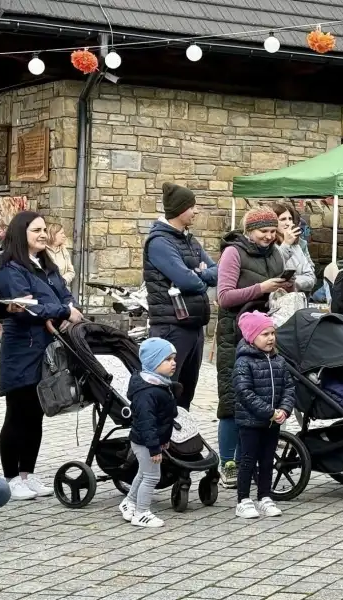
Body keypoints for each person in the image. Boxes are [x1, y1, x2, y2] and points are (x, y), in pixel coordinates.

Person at [0, 211, 84, 501]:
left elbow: (63, 294)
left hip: (48, 349)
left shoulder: (47, 265)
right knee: (17, 414)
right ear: (21, 233)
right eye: (36, 230)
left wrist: (68, 307)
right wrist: (62, 311)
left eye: (45, 229)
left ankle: (28, 474)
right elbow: (24, 308)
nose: (43, 234)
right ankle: (11, 478)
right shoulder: (10, 269)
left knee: (36, 415)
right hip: (22, 350)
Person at [215, 207, 287, 489]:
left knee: (264, 396)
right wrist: (261, 288)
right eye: (263, 232)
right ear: (249, 231)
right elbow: (224, 297)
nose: (269, 236)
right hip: (235, 334)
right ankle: (228, 462)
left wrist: (284, 287)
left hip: (265, 332)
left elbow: (275, 288)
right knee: (233, 400)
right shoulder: (233, 253)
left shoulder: (275, 253)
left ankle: (254, 459)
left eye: (272, 231)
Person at [143, 183, 217, 410]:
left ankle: (182, 442)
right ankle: (162, 442)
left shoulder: (189, 241)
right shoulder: (159, 242)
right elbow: (188, 281)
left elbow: (217, 272)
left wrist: (200, 272)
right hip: (171, 326)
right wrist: (199, 275)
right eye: (192, 207)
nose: (196, 211)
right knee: (168, 393)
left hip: (194, 325)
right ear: (178, 209)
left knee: (186, 394)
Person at [232, 311, 295, 518]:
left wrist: (284, 410)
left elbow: (288, 387)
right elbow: (244, 392)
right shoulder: (244, 362)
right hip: (250, 421)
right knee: (248, 459)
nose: (270, 338)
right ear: (252, 337)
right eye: (264, 334)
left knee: (268, 460)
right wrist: (269, 412)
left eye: (272, 333)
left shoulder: (279, 360)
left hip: (273, 421)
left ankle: (265, 496)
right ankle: (243, 499)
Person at [118, 338, 178, 528]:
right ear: (153, 362)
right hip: (145, 441)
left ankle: (129, 501)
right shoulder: (147, 392)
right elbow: (147, 423)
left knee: (144, 473)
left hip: (150, 440)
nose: (173, 363)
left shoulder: (159, 384)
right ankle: (142, 513)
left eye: (174, 358)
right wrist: (154, 447)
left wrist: (164, 439)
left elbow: (164, 418)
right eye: (167, 359)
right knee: (152, 476)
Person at [272, 203, 316, 293]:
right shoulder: (268, 246)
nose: (288, 223)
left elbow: (311, 277)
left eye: (290, 219)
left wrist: (294, 282)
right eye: (283, 219)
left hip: (296, 298)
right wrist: (286, 244)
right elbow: (273, 271)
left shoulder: (297, 246)